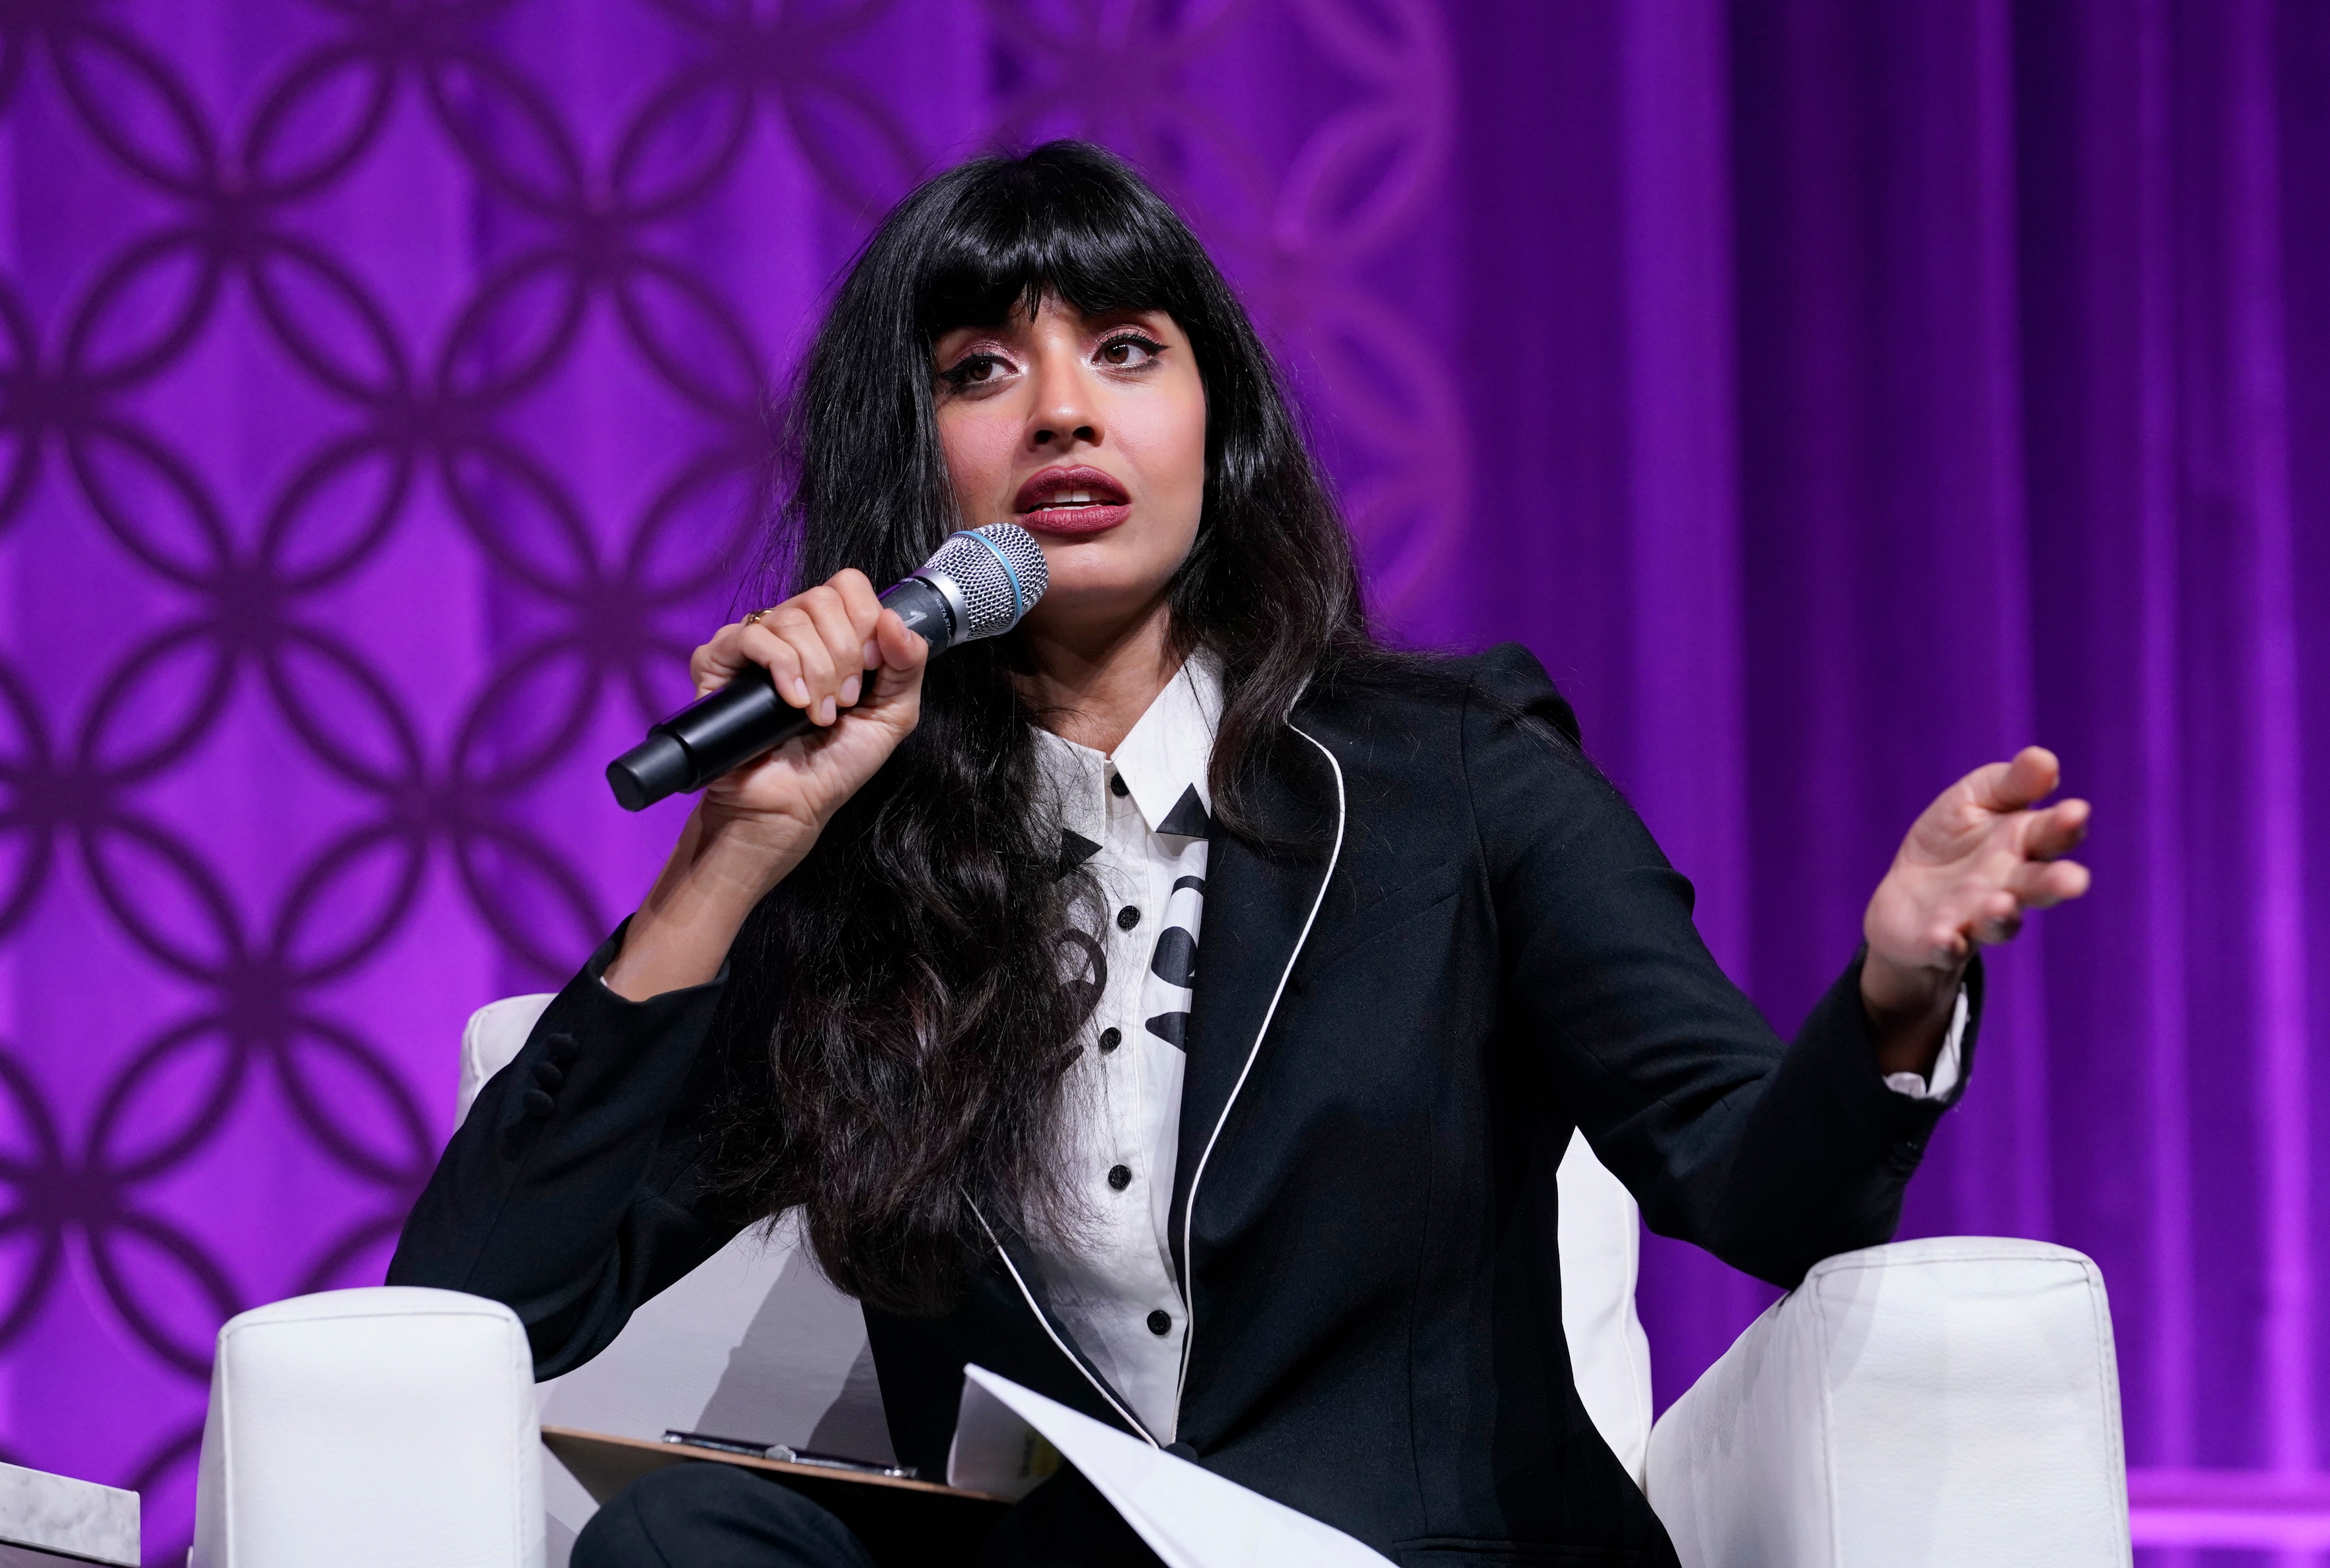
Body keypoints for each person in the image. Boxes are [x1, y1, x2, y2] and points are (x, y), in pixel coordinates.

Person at [388, 141, 2091, 1568]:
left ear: (1220, 427)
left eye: (1126, 350)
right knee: (679, 1542)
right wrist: (738, 849)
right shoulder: (863, 879)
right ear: (915, 462)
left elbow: (1759, 1185)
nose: (1062, 413)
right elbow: (476, 1311)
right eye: (983, 368)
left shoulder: (1453, 778)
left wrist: (1889, 998)